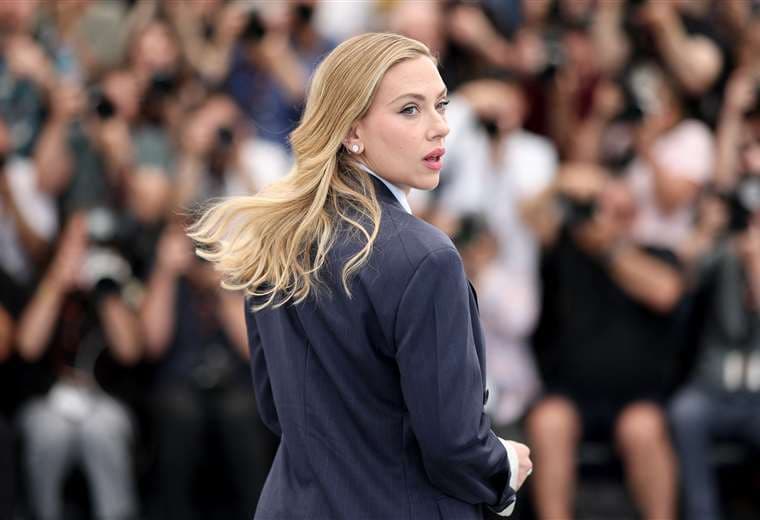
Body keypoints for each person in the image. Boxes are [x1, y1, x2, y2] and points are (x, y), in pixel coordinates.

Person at [188, 33, 532, 519]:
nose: (440, 127)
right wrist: (503, 466)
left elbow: (277, 409)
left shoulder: (276, 237)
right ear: (352, 131)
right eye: (410, 110)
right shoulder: (427, 257)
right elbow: (454, 446)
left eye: (441, 105)